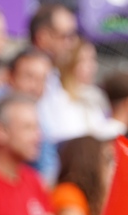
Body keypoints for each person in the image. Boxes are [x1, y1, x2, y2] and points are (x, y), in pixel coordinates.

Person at [49, 37, 123, 144]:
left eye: (93, 60)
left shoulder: (94, 96)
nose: (92, 67)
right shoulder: (60, 98)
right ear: (69, 63)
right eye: (83, 61)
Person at [29, 2, 81, 147]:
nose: (72, 43)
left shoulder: (54, 74)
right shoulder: (27, 77)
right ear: (42, 37)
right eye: (66, 36)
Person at [52, 134, 109, 215]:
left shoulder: (92, 199)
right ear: (91, 163)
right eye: (107, 160)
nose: (111, 167)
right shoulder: (68, 193)